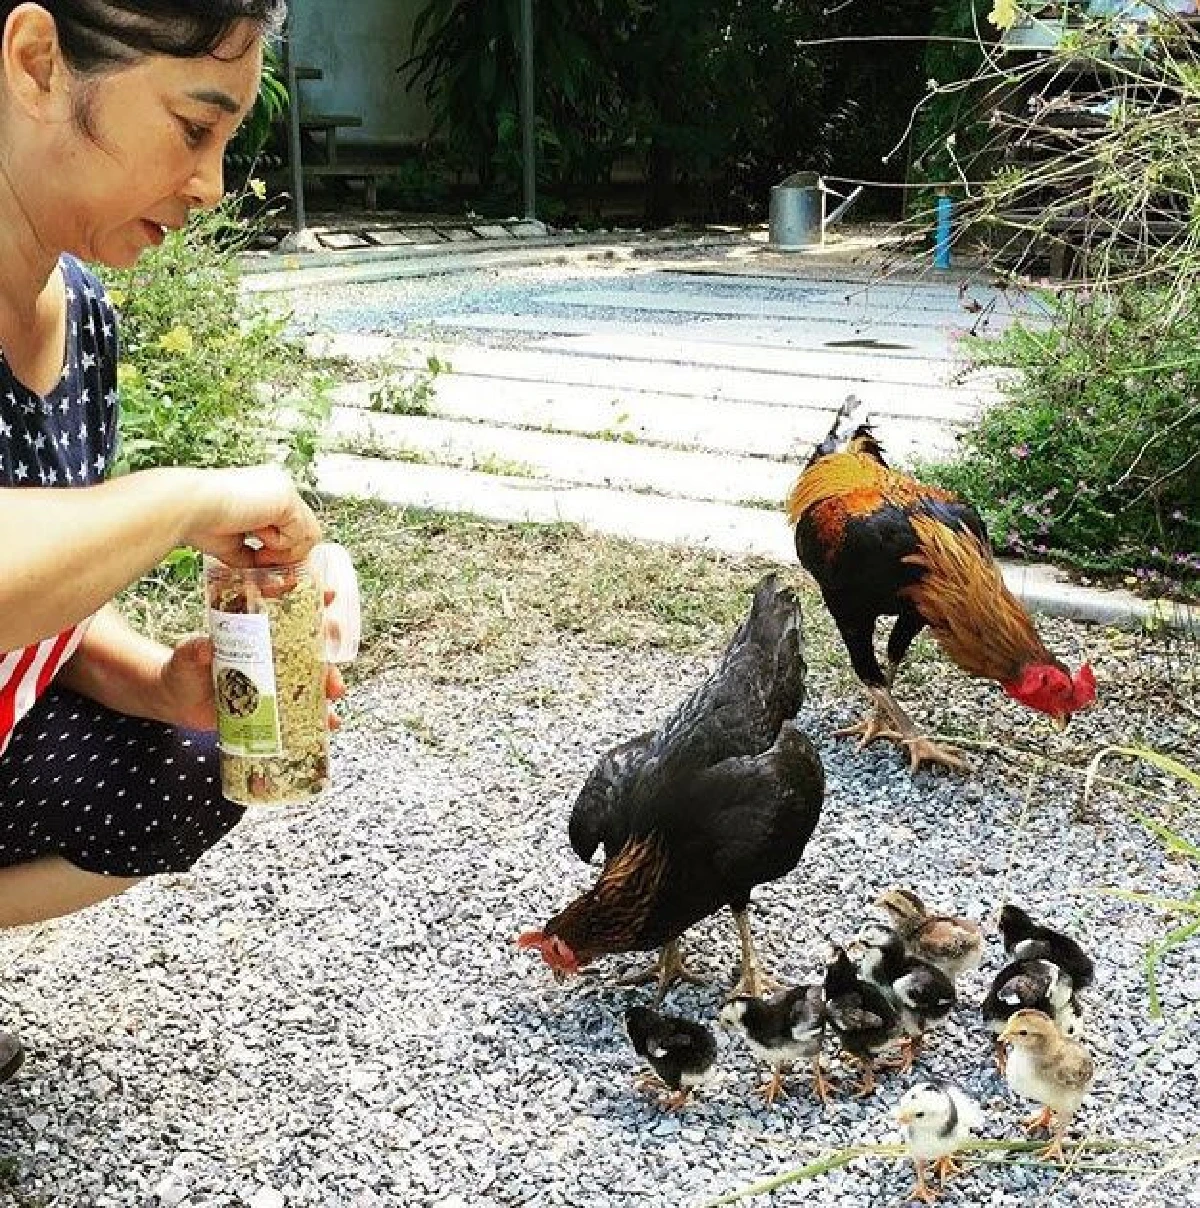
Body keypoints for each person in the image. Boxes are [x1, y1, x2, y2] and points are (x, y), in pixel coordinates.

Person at [0, 0, 342, 1081]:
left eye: (229, 142)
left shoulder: (84, 315)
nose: (210, 185)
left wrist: (165, 681)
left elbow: (42, 582)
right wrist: (188, 498)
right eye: (194, 128)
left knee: (194, 765)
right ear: (37, 60)